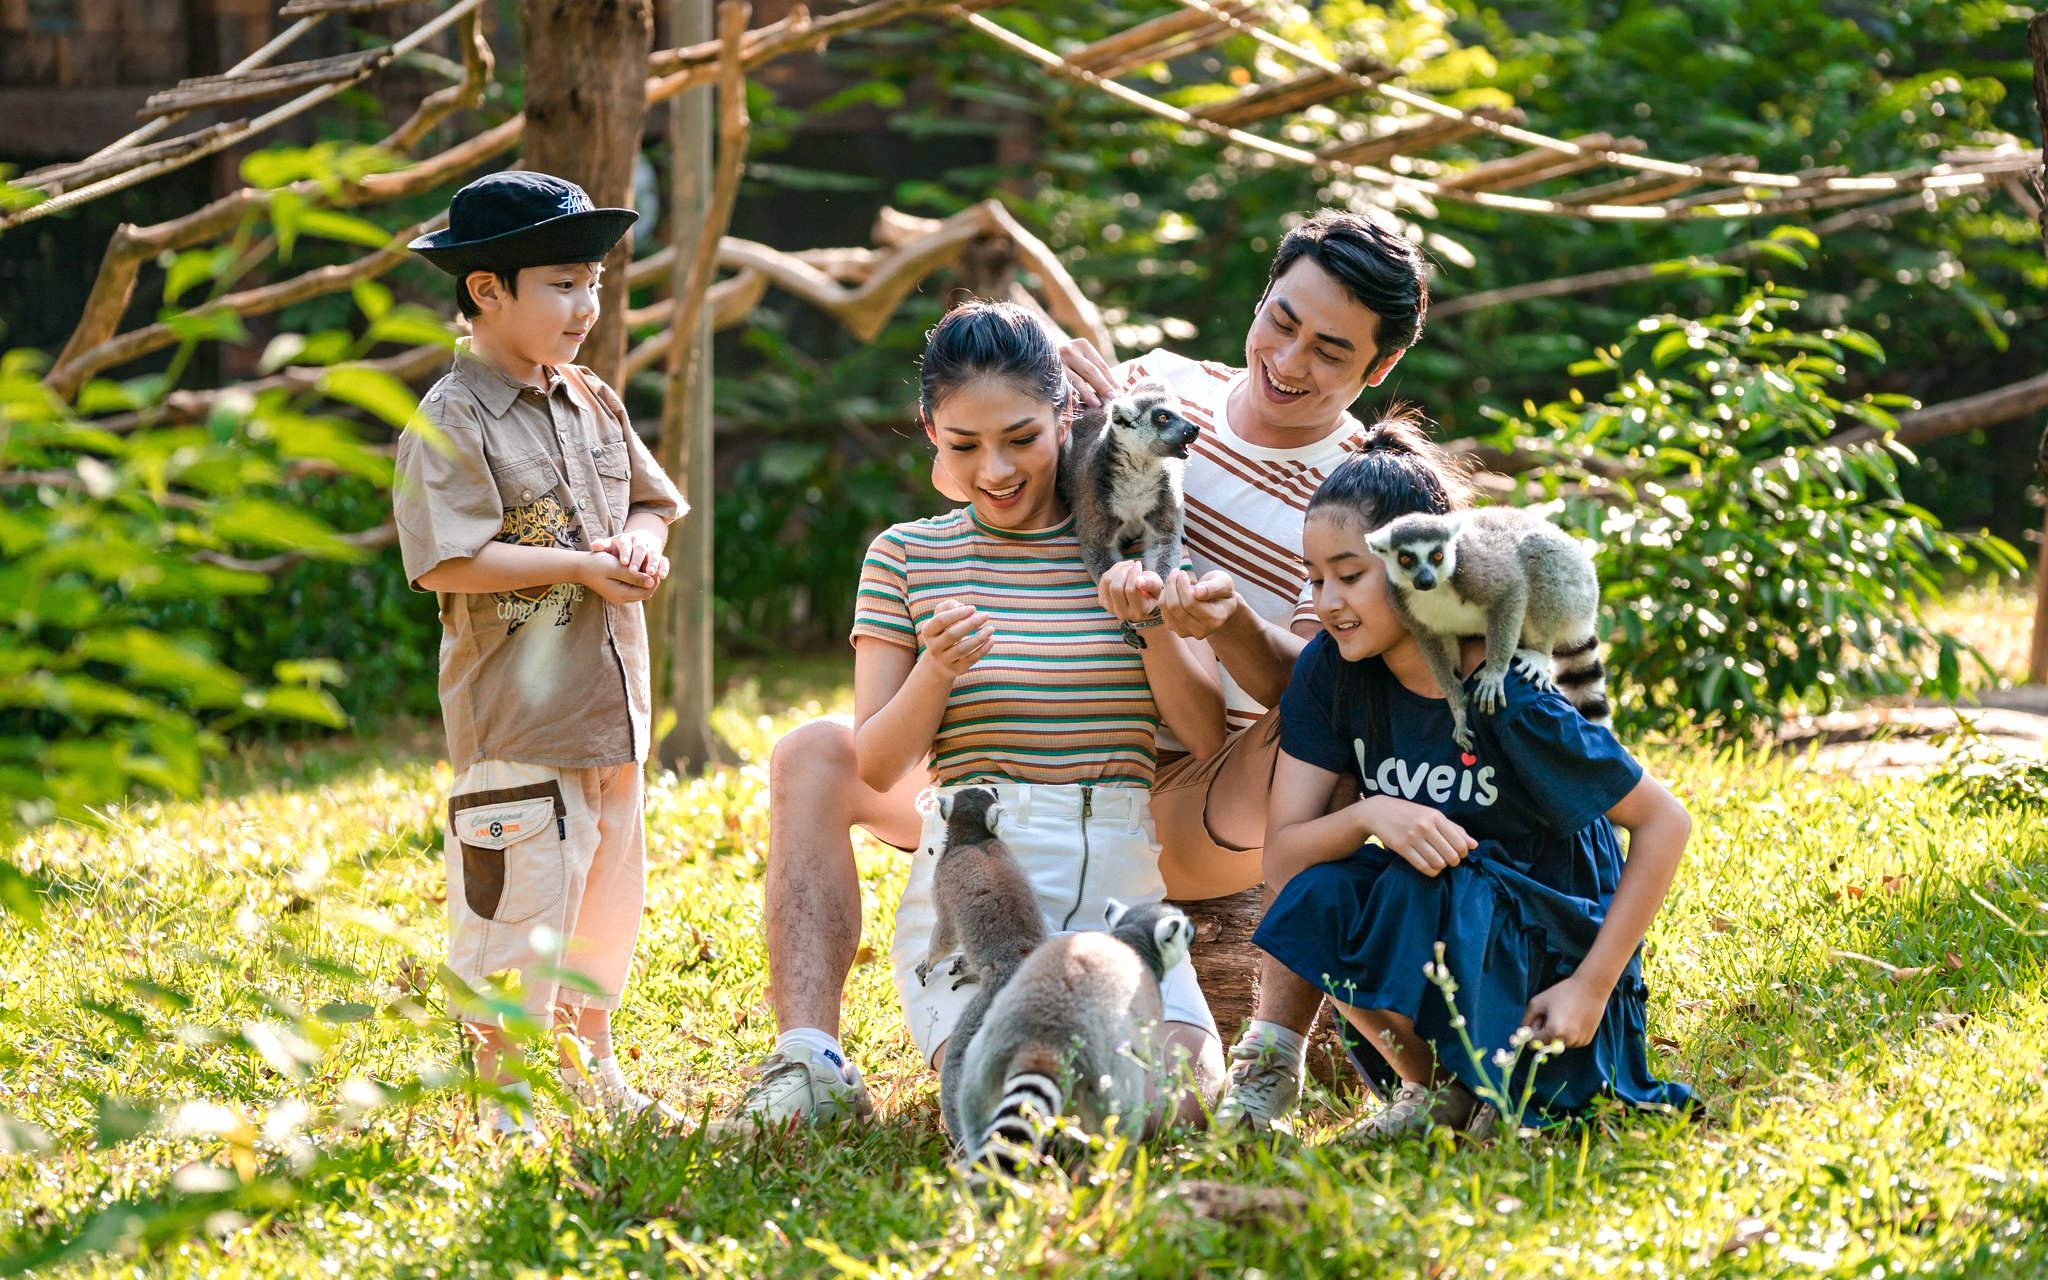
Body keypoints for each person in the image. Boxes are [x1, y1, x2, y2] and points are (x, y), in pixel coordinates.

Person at [735, 209, 1429, 1128]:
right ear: (1262, 298)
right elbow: (1003, 451)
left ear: (1376, 369)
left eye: (1330, 351)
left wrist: (1216, 628)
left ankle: (1272, 1053)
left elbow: (1320, 673)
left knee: (1332, 708)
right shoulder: (1159, 390)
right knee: (816, 752)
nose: (1290, 360)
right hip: (1009, 764)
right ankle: (808, 1058)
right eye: (1282, 320)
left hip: (1190, 790)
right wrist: (1044, 376)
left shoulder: (1356, 487)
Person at [728, 300, 1226, 1130]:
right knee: (1020, 1090)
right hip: (983, 891)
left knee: (1174, 1104)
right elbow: (878, 765)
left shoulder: (1135, 538)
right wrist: (936, 670)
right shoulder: (905, 556)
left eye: (1021, 438)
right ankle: (809, 1061)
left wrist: (1147, 624)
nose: (994, 469)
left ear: (1067, 416)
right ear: (930, 432)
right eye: (964, 446)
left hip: (1117, 887)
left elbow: (1206, 736)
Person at [1253, 434, 1697, 1139]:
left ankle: (1513, 1084)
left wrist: (1592, 986)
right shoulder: (1331, 671)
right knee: (1323, 893)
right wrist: (1373, 810)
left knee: (1434, 878)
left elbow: (1664, 821)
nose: (1329, 602)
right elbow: (1281, 862)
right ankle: (1430, 1090)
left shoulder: (1503, 691)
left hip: (1551, 961)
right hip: (1454, 929)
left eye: (1350, 575)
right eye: (1315, 579)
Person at [394, 170, 686, 1134]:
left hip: (614, 707)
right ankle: (504, 1094)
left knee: (606, 899)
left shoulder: (591, 397)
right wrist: (581, 566)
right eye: (563, 284)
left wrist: (642, 541)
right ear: (487, 291)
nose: (587, 306)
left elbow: (649, 498)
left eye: (594, 282)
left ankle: (591, 1063)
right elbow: (449, 561)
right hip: (519, 718)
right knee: (520, 905)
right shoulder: (452, 416)